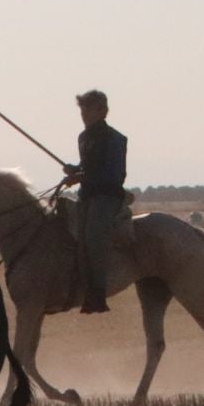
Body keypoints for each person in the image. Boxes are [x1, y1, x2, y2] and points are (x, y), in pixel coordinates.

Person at [61, 89, 129, 314]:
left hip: (106, 197)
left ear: (103, 111)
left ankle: (97, 294)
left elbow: (114, 175)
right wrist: (75, 169)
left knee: (93, 238)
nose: (84, 114)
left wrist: (80, 177)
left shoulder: (116, 139)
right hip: (86, 196)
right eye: (82, 109)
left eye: (89, 109)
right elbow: (88, 165)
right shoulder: (83, 137)